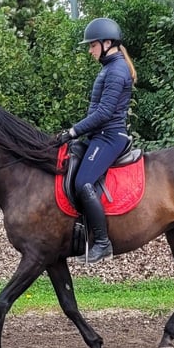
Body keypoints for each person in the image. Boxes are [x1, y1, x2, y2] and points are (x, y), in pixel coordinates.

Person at [56, 17, 137, 263]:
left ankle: (102, 243)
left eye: (92, 45)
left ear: (107, 43)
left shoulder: (117, 70)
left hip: (110, 136)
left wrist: (72, 131)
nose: (90, 50)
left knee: (83, 183)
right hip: (99, 135)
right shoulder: (109, 68)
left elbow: (103, 114)